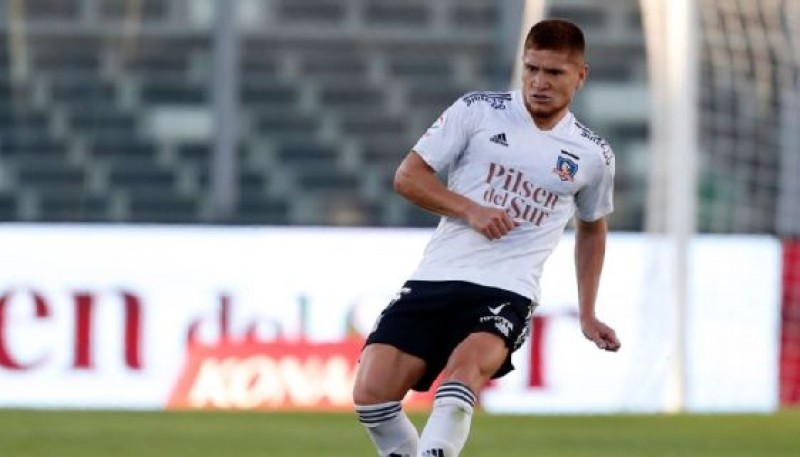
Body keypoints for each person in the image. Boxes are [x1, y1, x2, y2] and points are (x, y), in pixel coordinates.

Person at [352, 18, 620, 457]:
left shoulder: (593, 155)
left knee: (461, 377)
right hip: (437, 275)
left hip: (506, 289)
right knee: (372, 395)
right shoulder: (477, 111)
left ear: (581, 76)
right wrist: (470, 209)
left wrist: (588, 313)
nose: (538, 82)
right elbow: (408, 177)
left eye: (554, 73)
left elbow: (592, 228)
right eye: (531, 69)